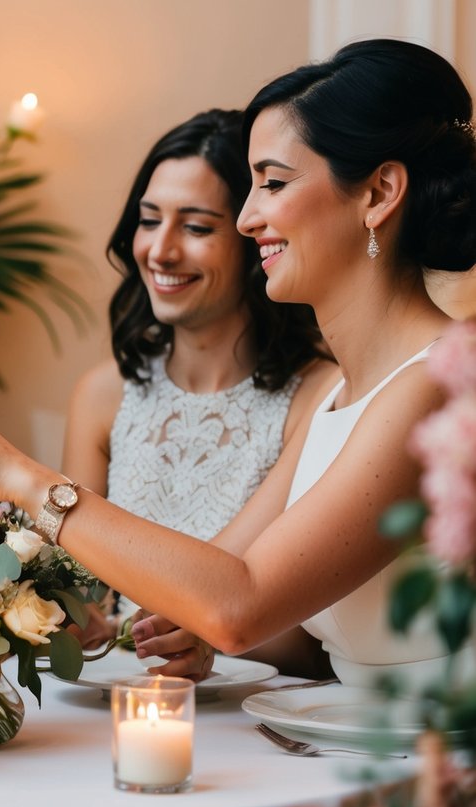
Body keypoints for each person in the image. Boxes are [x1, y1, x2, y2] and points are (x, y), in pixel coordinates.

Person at [0, 39, 476, 690]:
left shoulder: (440, 384)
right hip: (349, 743)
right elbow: (216, 577)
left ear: (378, 192)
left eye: (271, 183)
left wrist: (14, 472)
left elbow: (236, 604)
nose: (246, 219)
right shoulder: (345, 398)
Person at [64, 109, 334, 678]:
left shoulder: (320, 394)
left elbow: (310, 639)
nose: (160, 251)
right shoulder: (102, 395)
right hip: (124, 704)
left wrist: (208, 638)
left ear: (253, 237)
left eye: (196, 227)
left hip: (263, 717)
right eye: (148, 219)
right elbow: (79, 603)